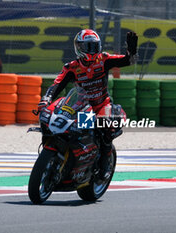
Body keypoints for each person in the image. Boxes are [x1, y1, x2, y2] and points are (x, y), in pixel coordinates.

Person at [39, 29, 138, 180]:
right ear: (79, 47)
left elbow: (127, 61)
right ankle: (58, 153)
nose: (92, 50)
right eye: (88, 47)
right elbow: (56, 85)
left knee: (106, 128)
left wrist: (131, 52)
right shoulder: (71, 67)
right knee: (57, 123)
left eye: (94, 46)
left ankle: (105, 163)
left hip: (101, 105)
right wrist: (46, 99)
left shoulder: (104, 59)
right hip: (79, 104)